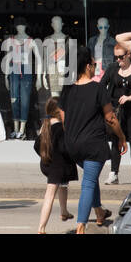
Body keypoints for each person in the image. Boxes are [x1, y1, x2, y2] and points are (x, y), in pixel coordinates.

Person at [60, 50, 127, 233]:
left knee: (91, 176)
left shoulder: (67, 90)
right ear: (88, 67)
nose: (95, 68)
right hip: (92, 144)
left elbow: (64, 120)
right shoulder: (98, 89)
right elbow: (111, 118)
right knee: (89, 182)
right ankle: (81, 225)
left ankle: (99, 212)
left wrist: (72, 137)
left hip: (73, 146)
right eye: (94, 65)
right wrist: (121, 137)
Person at [101, 43, 131, 184]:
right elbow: (102, 85)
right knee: (116, 140)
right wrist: (107, 104)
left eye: (121, 57)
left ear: (128, 55)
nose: (118, 60)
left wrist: (130, 97)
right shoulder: (113, 68)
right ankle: (114, 173)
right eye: (116, 57)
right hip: (116, 110)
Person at [35, 98, 76, 232]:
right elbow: (64, 148)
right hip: (58, 167)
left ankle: (64, 212)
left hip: (47, 164)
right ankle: (41, 228)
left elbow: (36, 146)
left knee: (63, 185)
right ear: (59, 111)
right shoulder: (60, 127)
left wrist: (46, 156)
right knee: (50, 195)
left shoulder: (45, 125)